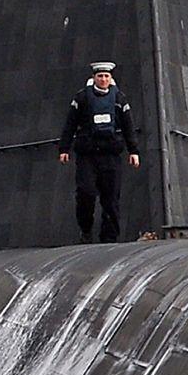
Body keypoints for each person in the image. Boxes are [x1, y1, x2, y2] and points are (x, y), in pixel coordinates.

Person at [58, 60, 141, 241]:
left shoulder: (119, 99)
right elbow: (70, 123)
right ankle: (86, 229)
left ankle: (109, 238)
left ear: (110, 78)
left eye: (106, 76)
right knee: (86, 193)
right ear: (94, 77)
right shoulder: (82, 99)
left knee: (111, 198)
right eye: (100, 76)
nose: (103, 79)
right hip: (88, 155)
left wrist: (133, 151)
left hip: (111, 155)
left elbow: (128, 125)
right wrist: (64, 148)